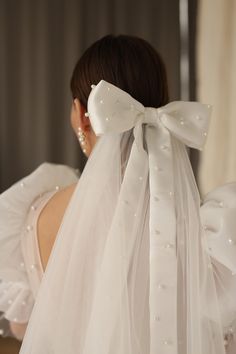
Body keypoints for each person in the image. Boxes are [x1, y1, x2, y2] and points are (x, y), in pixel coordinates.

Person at [0, 35, 235, 354]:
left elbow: (25, 328)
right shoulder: (212, 229)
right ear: (164, 107)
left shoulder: (30, 214)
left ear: (80, 114)